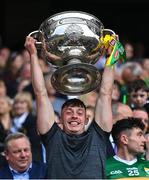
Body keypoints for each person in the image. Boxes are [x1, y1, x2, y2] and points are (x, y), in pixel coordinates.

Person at [24, 35, 117, 179]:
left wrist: (112, 55)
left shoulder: (98, 136)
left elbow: (106, 93)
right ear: (60, 119)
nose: (74, 116)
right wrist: (33, 55)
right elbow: (40, 93)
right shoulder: (52, 137)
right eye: (69, 112)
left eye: (80, 112)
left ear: (86, 120)